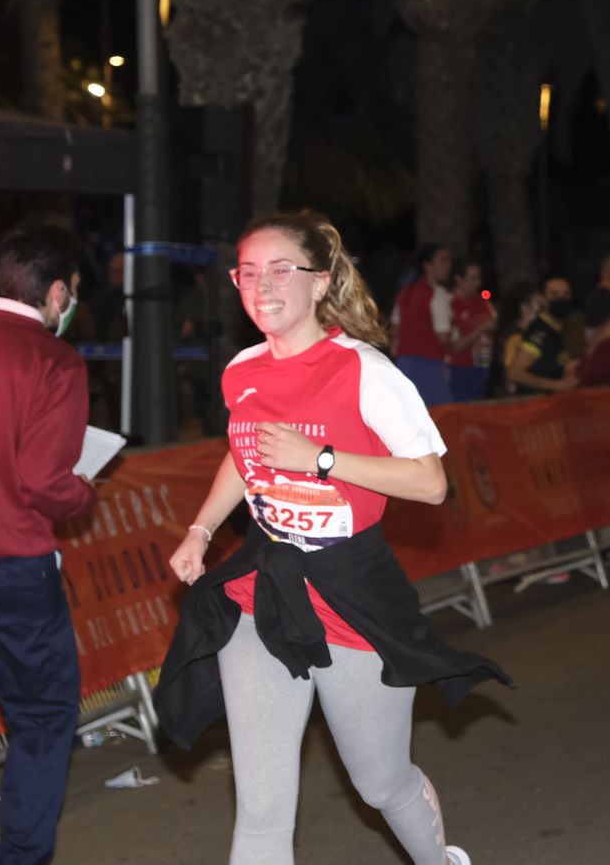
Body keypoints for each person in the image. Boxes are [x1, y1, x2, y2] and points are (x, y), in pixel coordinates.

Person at [153, 211, 509, 865]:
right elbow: (243, 452)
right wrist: (200, 528)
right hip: (267, 589)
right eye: (248, 272)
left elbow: (431, 482)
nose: (262, 285)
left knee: (381, 781)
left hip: (352, 592)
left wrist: (319, 458)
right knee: (260, 811)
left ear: (320, 283)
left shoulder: (365, 371)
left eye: (280, 270)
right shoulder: (242, 371)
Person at [0, 226, 98, 865]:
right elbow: (43, 481)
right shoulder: (54, 361)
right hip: (15, 565)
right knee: (41, 717)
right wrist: (84, 495)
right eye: (73, 294)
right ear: (56, 292)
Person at [391, 244, 455, 406]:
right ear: (427, 265)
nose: (448, 266)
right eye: (443, 261)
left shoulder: (406, 292)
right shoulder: (437, 293)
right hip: (430, 366)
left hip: (405, 364)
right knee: (440, 416)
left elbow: (395, 328)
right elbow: (443, 336)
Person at [499, 276, 578, 397]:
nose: (561, 298)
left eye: (566, 293)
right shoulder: (540, 331)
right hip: (534, 406)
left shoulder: (565, 328)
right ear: (543, 299)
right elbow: (514, 373)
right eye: (554, 294)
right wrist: (556, 385)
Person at [446, 260, 497, 402]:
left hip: (483, 367)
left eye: (479, 277)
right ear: (458, 278)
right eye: (473, 278)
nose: (478, 282)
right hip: (459, 370)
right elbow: (455, 345)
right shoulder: (449, 304)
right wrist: (480, 329)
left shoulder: (483, 303)